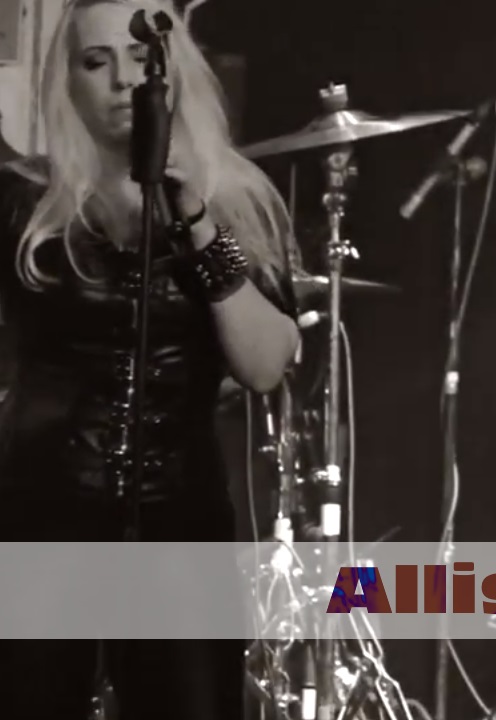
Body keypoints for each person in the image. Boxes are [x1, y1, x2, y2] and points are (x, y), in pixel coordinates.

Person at [0, 1, 299, 718]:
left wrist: (194, 220)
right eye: (94, 62)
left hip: (179, 519)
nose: (121, 83)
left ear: (175, 71)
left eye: (140, 60)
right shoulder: (26, 204)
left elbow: (266, 365)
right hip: (40, 514)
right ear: (67, 83)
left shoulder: (236, 200)